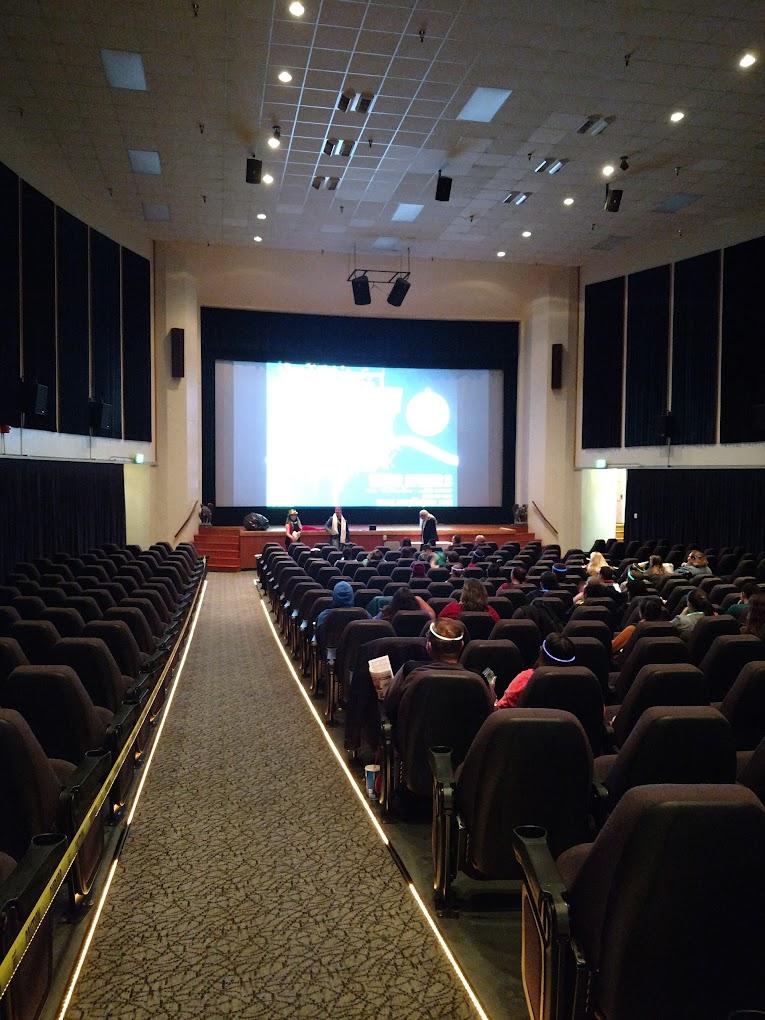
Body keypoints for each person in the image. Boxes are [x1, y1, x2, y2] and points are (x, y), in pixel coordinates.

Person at [383, 618, 468, 722]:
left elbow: (389, 705)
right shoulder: (478, 677)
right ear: (462, 645)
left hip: (411, 732)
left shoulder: (410, 670)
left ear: (429, 646)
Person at [494, 633, 577, 710]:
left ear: (541, 651)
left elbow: (501, 710)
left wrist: (491, 692)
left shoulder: (526, 679)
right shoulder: (577, 684)